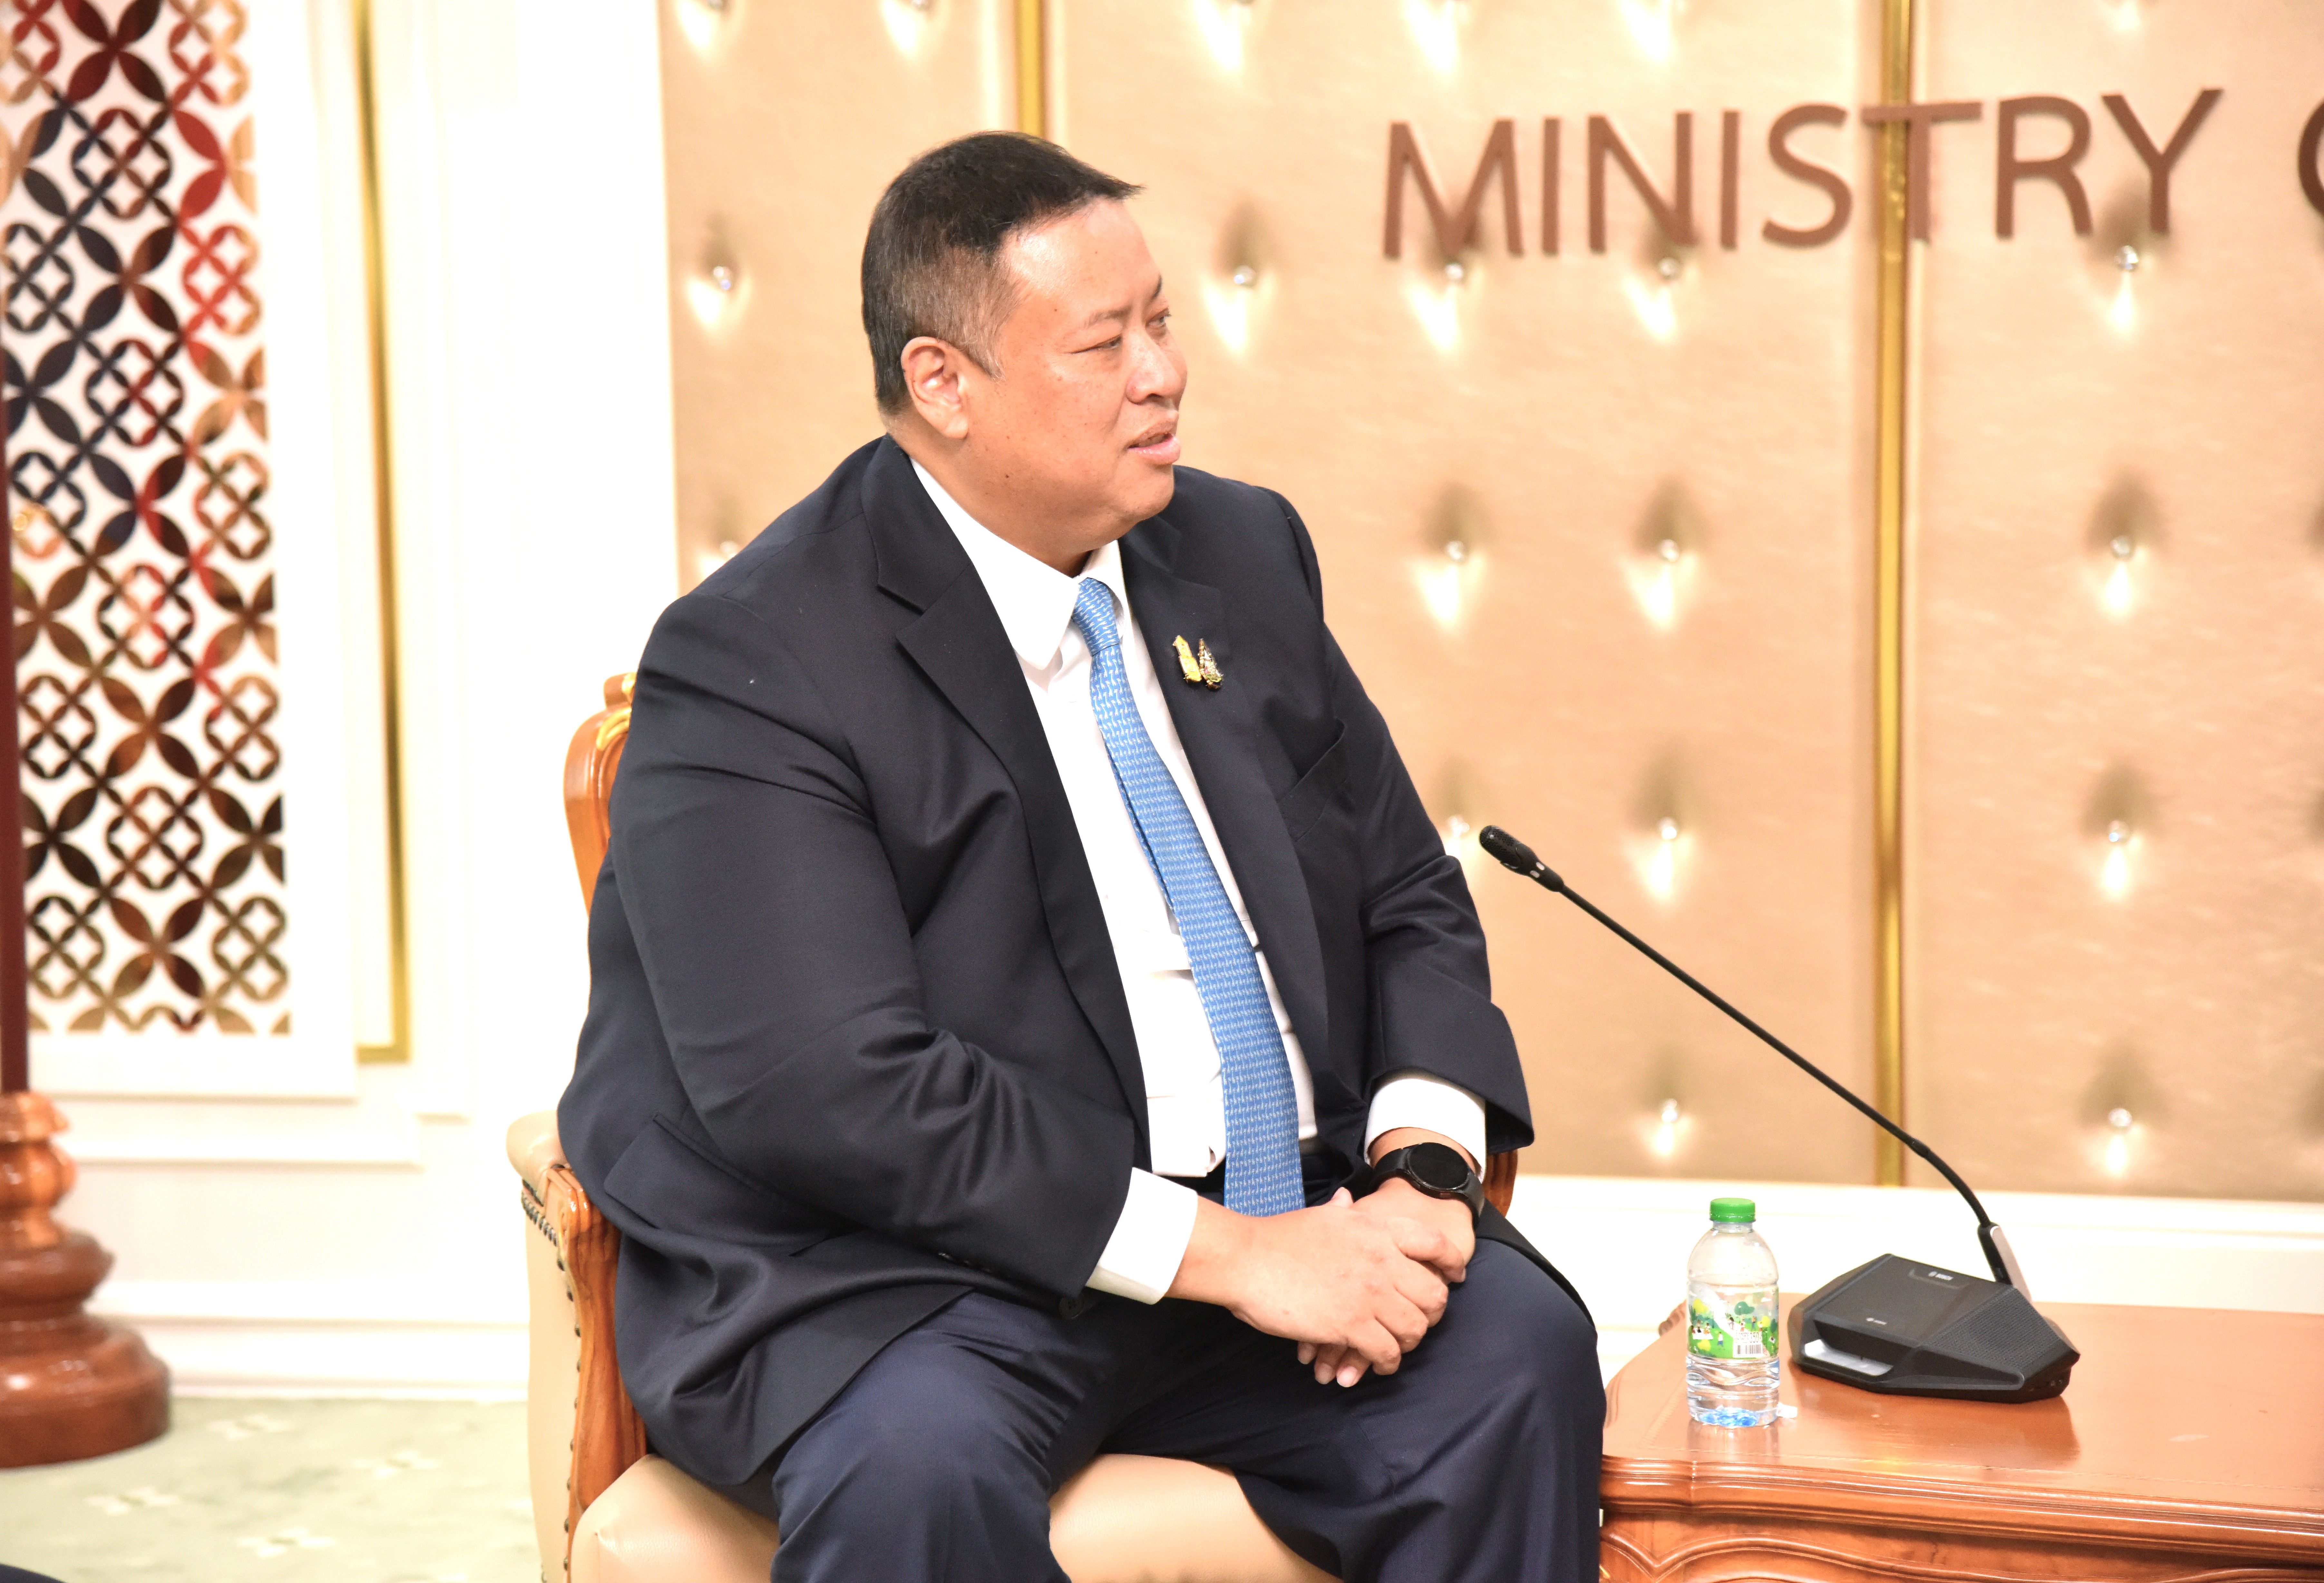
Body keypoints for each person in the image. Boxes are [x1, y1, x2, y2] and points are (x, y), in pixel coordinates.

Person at [559, 131, 1601, 1583]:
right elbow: (834, 1090)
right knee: (913, 1469)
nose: (1164, 374)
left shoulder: (1240, 551)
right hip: (920, 1278)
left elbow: (1404, 893)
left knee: (1514, 1352)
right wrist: (1242, 1259)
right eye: (1105, 344)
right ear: (944, 384)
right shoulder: (760, 657)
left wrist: (1422, 1172)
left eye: (1161, 320)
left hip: (1274, 1215)